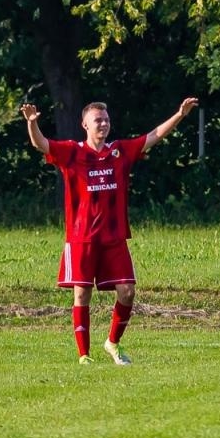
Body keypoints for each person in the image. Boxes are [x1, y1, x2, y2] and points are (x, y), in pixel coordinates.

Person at [22, 96, 199, 365]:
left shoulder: (119, 151)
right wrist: (32, 124)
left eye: (106, 119)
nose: (103, 124)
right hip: (81, 237)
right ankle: (84, 355)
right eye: (97, 120)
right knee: (81, 294)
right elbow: (40, 144)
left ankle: (112, 343)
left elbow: (152, 136)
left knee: (127, 291)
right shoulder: (72, 152)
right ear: (85, 124)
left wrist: (180, 115)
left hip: (114, 237)